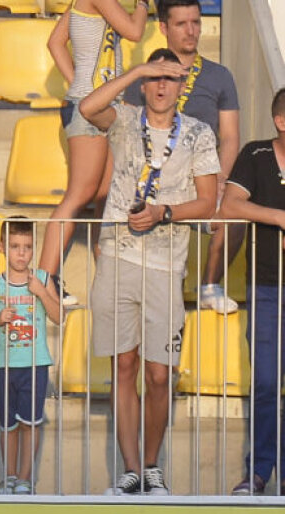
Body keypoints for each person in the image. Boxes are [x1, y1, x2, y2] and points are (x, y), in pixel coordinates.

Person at [79, 49, 218, 495]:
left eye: (169, 79)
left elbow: (208, 201)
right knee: (124, 365)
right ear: (144, 83)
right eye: (154, 78)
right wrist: (137, 68)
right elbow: (87, 107)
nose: (161, 86)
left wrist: (163, 212)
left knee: (159, 373)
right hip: (118, 257)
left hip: (165, 263)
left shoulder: (198, 133)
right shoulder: (124, 118)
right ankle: (132, 470)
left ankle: (154, 466)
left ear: (181, 87)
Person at [123, 0, 242, 314]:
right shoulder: (145, 76)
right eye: (181, 24)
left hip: (202, 186)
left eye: (196, 22)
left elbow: (230, 138)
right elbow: (130, 137)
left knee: (236, 216)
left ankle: (209, 285)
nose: (192, 31)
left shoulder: (219, 76)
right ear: (163, 28)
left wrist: (219, 179)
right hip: (155, 187)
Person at [41, 0, 152, 297]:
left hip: (98, 105)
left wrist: (78, 82)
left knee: (106, 196)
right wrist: (143, 5)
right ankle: (44, 277)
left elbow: (55, 43)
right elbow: (134, 32)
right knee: (81, 194)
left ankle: (107, 279)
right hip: (88, 108)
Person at [218, 89, 285, 495]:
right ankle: (259, 472)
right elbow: (231, 204)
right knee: (263, 383)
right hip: (265, 287)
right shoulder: (256, 154)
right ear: (282, 122)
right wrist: (278, 216)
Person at [0, 218, 62, 495]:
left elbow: (59, 316)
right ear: (2, 247)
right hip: (5, 365)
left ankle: (26, 478)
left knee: (31, 422)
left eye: (27, 247)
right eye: (15, 246)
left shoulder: (42, 279)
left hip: (35, 363)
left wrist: (41, 293)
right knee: (8, 425)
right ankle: (9, 477)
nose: (21, 253)